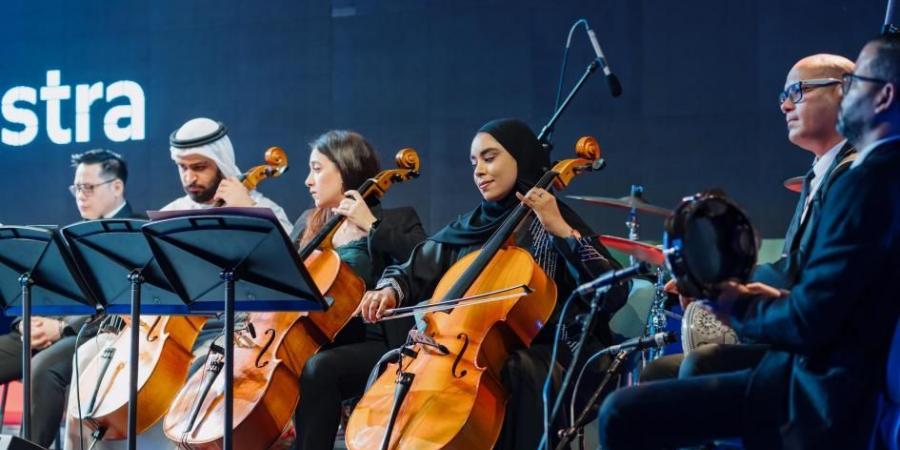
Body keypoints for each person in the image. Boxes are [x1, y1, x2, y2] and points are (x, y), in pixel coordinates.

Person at [598, 33, 900, 450]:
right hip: (833, 371)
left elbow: (810, 320)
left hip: (827, 393)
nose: (784, 105)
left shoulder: (867, 181)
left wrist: (736, 304)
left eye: (856, 84)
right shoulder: (872, 176)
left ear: (883, 97)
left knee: (621, 413)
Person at [357, 118, 629, 450]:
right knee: (392, 364)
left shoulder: (554, 217)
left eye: (489, 157)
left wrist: (562, 232)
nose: (479, 171)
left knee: (521, 369)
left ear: (520, 156)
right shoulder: (469, 226)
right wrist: (388, 289)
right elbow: (413, 268)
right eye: (474, 163)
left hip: (557, 349)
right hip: (472, 352)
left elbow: (613, 291)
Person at [64, 117, 294, 449]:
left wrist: (249, 209)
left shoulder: (263, 209)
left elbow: (290, 268)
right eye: (182, 168)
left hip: (232, 328)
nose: (189, 177)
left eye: (199, 167)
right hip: (172, 327)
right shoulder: (173, 213)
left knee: (196, 371)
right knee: (88, 354)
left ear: (222, 163)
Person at [640, 53, 857, 382]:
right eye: (783, 96)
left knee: (699, 365)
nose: (785, 106)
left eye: (796, 91)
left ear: (845, 91)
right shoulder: (818, 174)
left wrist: (719, 284)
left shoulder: (854, 174)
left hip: (831, 350)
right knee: (657, 373)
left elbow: (804, 269)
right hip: (800, 335)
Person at [290, 130, 426, 450]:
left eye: (317, 168)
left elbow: (425, 262)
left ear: (346, 170)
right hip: (314, 338)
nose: (309, 180)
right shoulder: (309, 223)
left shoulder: (398, 218)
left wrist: (373, 226)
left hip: (376, 342)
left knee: (318, 367)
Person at [0, 149, 138, 447]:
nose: (80, 195)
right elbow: (43, 284)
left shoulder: (136, 231)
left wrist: (62, 329)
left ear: (116, 187)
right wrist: (26, 321)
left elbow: (118, 302)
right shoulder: (69, 232)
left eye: (88, 187)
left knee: (43, 368)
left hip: (97, 334)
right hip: (46, 330)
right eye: (77, 188)